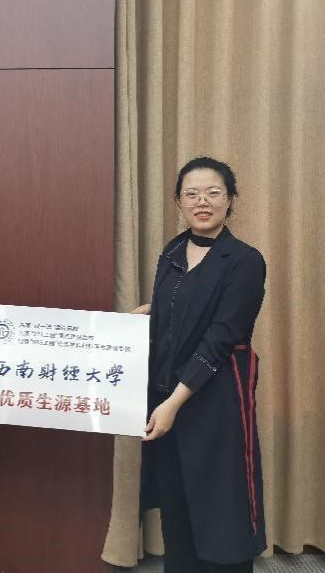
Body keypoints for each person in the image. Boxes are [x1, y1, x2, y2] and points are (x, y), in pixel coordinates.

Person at [137, 157, 267, 573]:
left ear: (230, 200)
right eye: (191, 194)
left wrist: (174, 403)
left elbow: (220, 337)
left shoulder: (245, 260)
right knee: (177, 510)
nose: (202, 202)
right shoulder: (173, 252)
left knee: (222, 511)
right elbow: (176, 310)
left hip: (215, 401)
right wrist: (143, 317)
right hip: (165, 398)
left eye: (213, 193)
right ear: (179, 201)